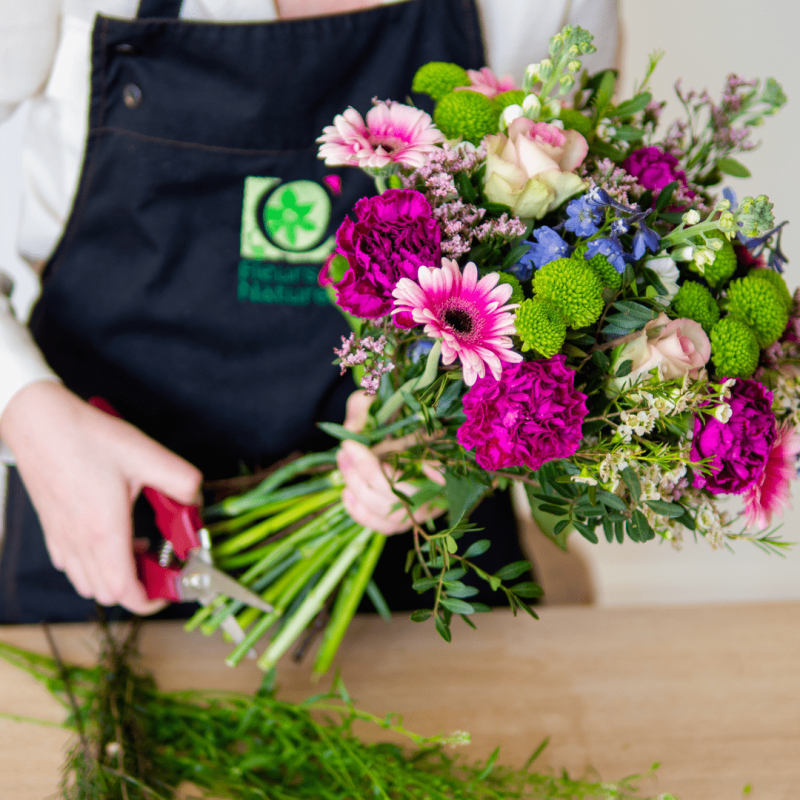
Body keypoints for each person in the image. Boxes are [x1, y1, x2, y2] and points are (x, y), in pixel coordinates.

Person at [0, 0, 619, 623]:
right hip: (101, 537)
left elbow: (568, 242)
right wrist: (25, 408)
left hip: (426, 568)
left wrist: (463, 424)